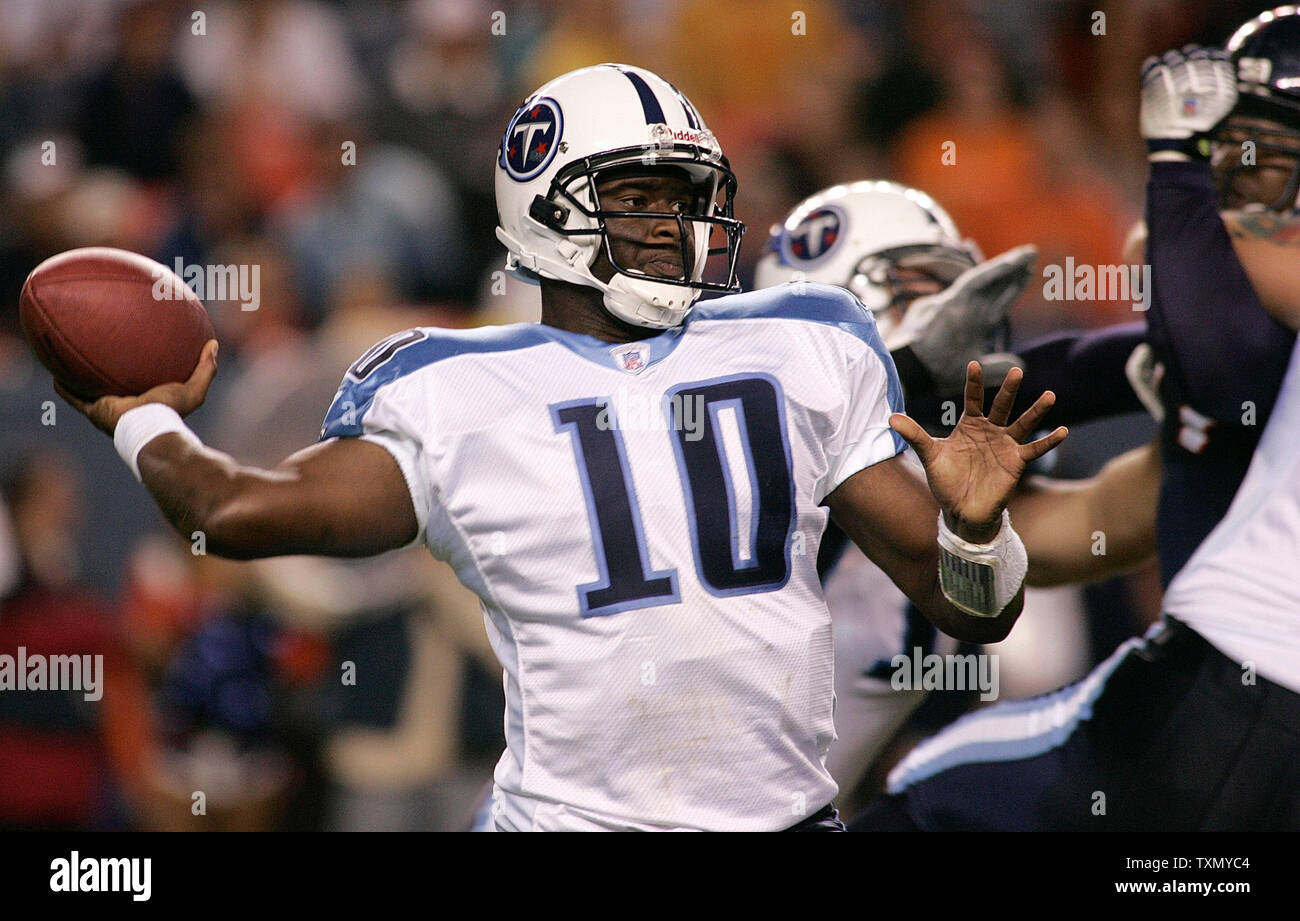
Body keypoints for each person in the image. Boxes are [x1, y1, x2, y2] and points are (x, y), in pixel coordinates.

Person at [54, 63, 1065, 832]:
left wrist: (976, 532)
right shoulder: (453, 392)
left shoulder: (801, 344)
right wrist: (138, 411)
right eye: (641, 197)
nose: (676, 225)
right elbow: (232, 512)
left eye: (687, 196)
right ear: (544, 201)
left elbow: (974, 607)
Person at [851, 15, 1300, 831]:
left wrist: (1174, 163)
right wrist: (914, 379)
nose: (1234, 188)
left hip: (1239, 694)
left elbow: (1207, 349)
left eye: (1259, 157)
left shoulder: (1233, 330)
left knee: (930, 790)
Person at [753, 180, 1160, 803]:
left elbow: (1100, 523)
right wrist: (1155, 351)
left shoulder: (946, 468)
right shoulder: (763, 446)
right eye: (925, 283)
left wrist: (1213, 423)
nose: (962, 309)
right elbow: (815, 425)